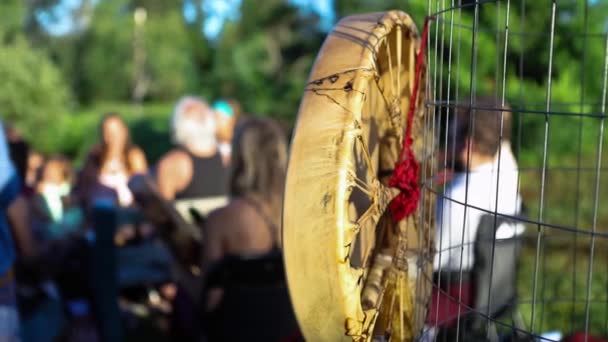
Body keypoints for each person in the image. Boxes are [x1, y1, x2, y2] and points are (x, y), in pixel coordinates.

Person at [427, 99, 524, 329]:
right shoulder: (509, 177)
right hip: (496, 296)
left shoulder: (457, 197)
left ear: (468, 146)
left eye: (451, 137)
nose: (447, 143)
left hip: (454, 301)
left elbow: (429, 261)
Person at [201, 117, 297, 341]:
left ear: (239, 158)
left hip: (236, 331)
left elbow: (210, 300)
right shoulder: (298, 213)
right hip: (291, 329)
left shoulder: (220, 220)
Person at [157, 96, 228, 222]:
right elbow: (165, 217)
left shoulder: (227, 159)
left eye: (203, 113)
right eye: (194, 114)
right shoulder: (172, 164)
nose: (201, 116)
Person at [76, 113, 148, 211]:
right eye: (108, 132)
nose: (113, 136)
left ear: (124, 132)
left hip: (128, 211)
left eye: (116, 131)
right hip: (100, 211)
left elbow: (142, 187)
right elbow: (86, 186)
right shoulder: (95, 156)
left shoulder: (134, 155)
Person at [213, 100, 237, 166]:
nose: (213, 121)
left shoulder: (240, 143)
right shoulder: (209, 144)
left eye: (217, 117)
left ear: (231, 120)